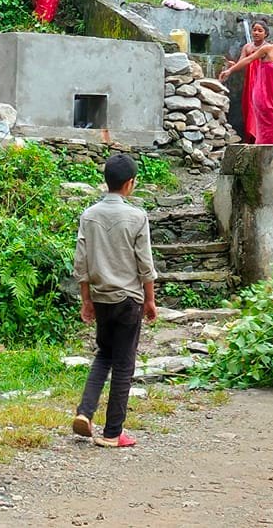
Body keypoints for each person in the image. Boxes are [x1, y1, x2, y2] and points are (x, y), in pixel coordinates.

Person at [70, 154, 158, 449]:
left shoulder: (89, 215)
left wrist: (86, 299)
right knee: (124, 364)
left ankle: (85, 412)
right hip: (129, 299)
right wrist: (150, 301)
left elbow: (81, 261)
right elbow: (145, 264)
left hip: (101, 297)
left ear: (106, 181)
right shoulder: (137, 217)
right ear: (130, 184)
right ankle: (112, 433)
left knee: (103, 355)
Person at [222, 22, 273, 145]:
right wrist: (230, 70)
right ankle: (260, 155)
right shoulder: (267, 50)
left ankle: (272, 158)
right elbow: (248, 59)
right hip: (264, 94)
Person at [218, 21, 269, 143]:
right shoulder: (247, 47)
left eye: (260, 31)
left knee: (262, 111)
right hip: (250, 84)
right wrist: (231, 67)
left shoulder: (268, 48)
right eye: (254, 30)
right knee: (249, 110)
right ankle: (251, 140)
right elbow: (242, 62)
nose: (256, 33)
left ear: (266, 34)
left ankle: (262, 139)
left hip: (263, 83)